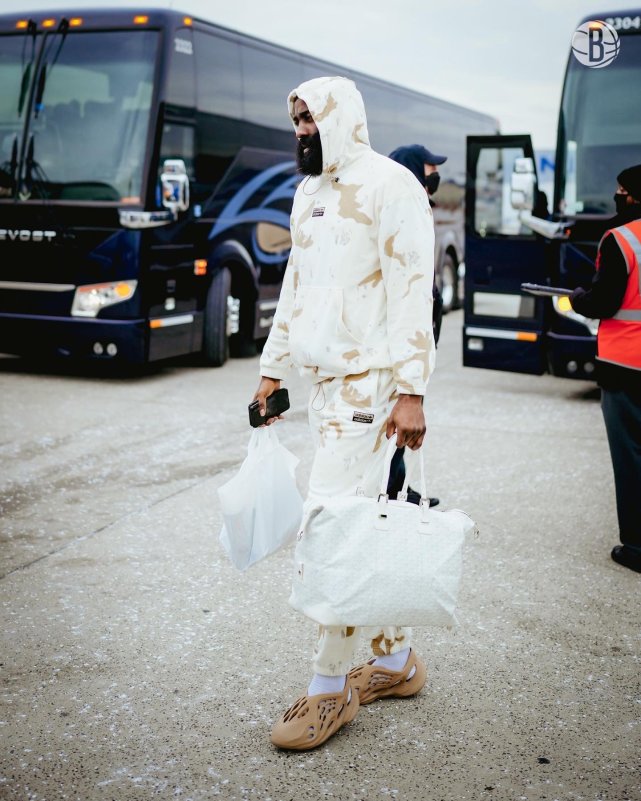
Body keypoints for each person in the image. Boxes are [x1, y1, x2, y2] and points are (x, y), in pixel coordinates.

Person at [252, 76, 436, 750]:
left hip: (372, 385)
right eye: (294, 119)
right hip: (324, 386)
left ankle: (329, 689)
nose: (300, 130)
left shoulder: (391, 186)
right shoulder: (307, 192)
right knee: (357, 523)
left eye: (309, 118)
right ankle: (393, 660)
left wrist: (412, 390)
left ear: (341, 117)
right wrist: (271, 371)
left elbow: (414, 291)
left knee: (328, 528)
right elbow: (294, 287)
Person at [570, 163, 641, 573]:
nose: (616, 197)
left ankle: (635, 545)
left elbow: (602, 302)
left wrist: (579, 298)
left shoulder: (622, 239)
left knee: (631, 457)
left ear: (632, 196)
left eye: (620, 191)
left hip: (626, 366)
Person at [386, 144, 448, 506]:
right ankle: (391, 492)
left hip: (416, 342)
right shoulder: (401, 214)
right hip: (398, 349)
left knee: (400, 422)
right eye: (430, 172)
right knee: (396, 419)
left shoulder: (419, 209)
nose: (434, 180)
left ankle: (397, 486)